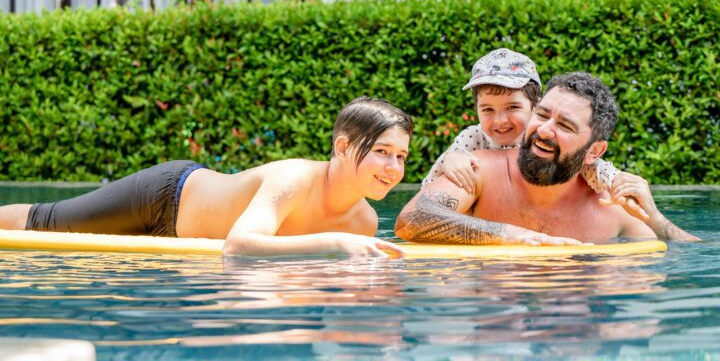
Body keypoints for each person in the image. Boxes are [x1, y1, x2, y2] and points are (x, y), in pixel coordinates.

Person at [0, 97, 413, 258]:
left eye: (401, 157)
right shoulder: (295, 179)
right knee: (47, 220)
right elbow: (239, 244)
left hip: (181, 243)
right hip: (166, 196)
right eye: (381, 152)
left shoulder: (363, 222)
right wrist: (336, 244)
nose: (393, 169)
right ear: (343, 148)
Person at [395, 72, 699, 245]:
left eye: (565, 126)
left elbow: (693, 257)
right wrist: (511, 235)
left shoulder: (611, 207)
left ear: (595, 151)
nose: (544, 130)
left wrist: (656, 218)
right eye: (541, 115)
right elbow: (411, 220)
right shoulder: (479, 170)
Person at [424, 48, 618, 195]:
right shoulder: (474, 138)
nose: (500, 120)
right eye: (487, 109)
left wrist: (616, 182)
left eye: (512, 107)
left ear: (536, 106)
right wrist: (448, 160)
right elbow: (429, 186)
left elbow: (590, 166)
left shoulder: (541, 140)